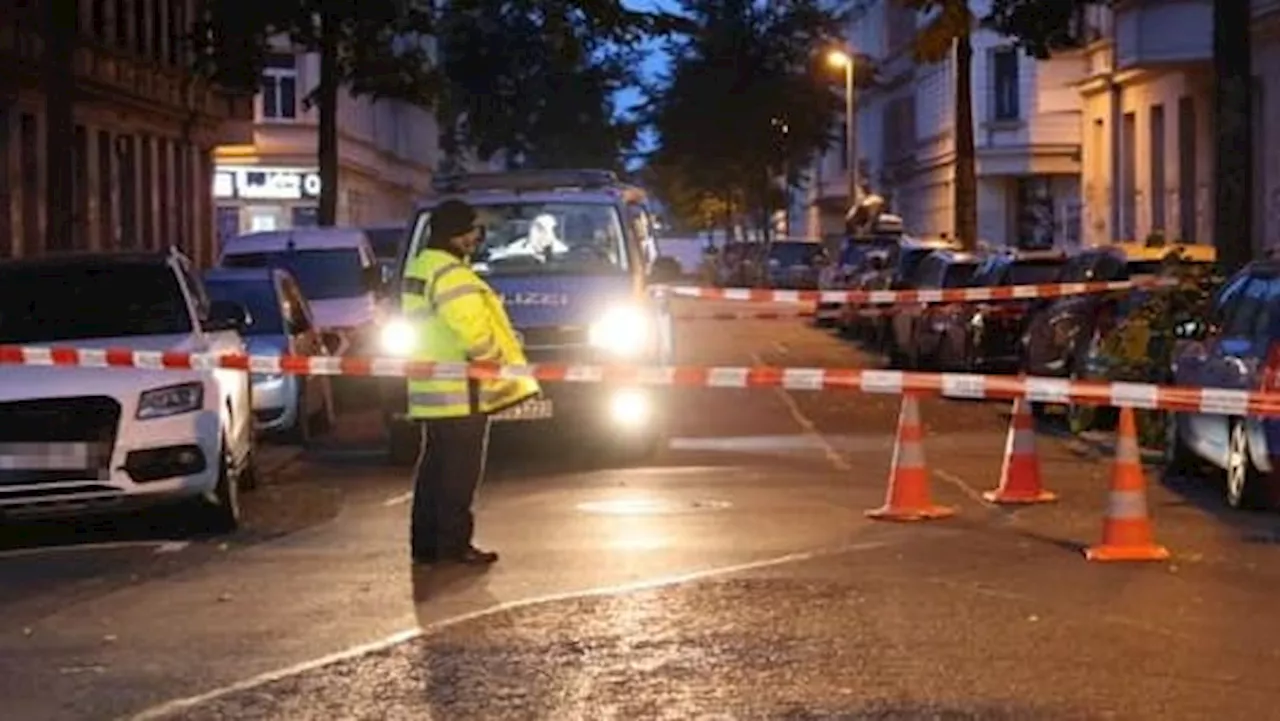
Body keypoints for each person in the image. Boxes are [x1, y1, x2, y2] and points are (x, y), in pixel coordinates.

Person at [400, 199, 540, 566]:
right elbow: (472, 329)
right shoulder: (452, 275)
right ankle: (453, 545)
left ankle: (426, 544)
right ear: (457, 234)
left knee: (433, 468)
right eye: (473, 230)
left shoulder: (422, 266)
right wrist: (491, 358)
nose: (478, 237)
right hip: (461, 389)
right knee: (459, 472)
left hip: (431, 388)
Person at [487, 212, 569, 262]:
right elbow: (495, 259)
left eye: (547, 229)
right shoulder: (516, 247)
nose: (543, 234)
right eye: (538, 228)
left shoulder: (563, 251)